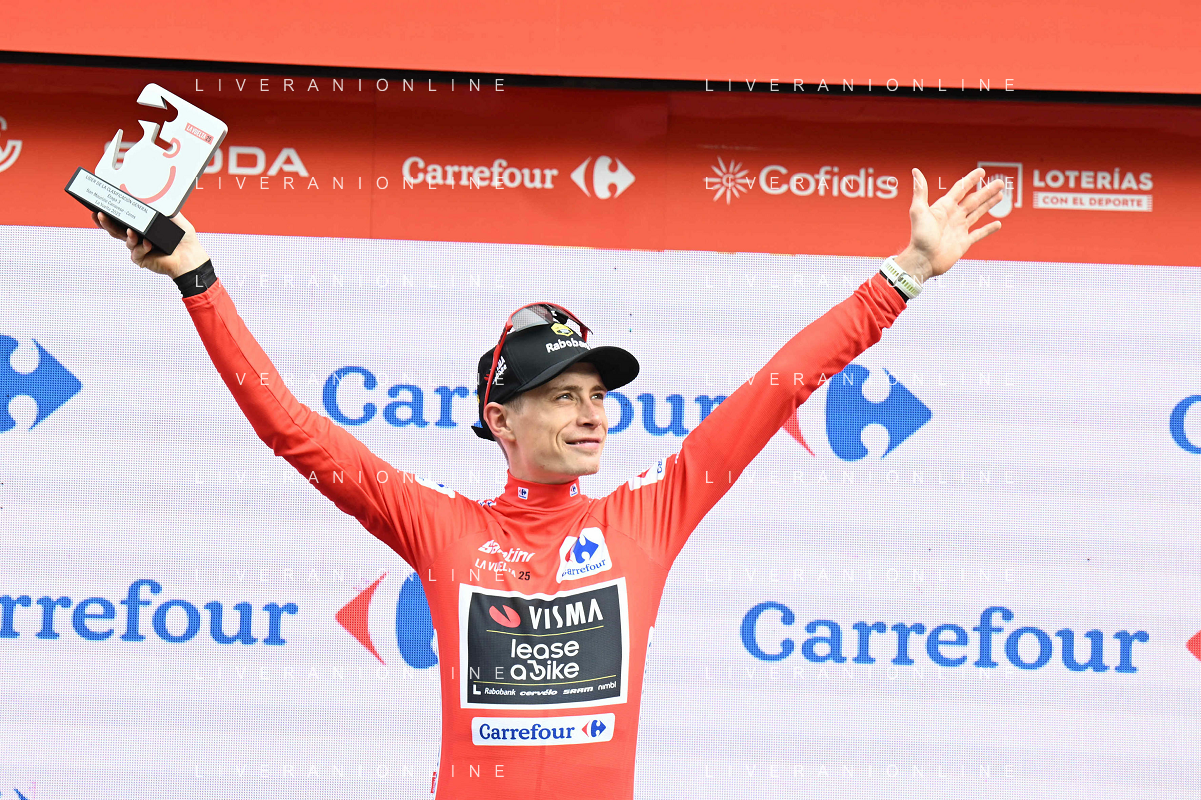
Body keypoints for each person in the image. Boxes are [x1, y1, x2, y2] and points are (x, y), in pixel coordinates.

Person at [92, 167, 1005, 799]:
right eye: (563, 395)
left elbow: (777, 388)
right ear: (501, 419)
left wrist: (905, 275)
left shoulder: (647, 515)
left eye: (598, 394)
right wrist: (196, 276)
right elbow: (290, 428)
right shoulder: (441, 528)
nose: (591, 413)